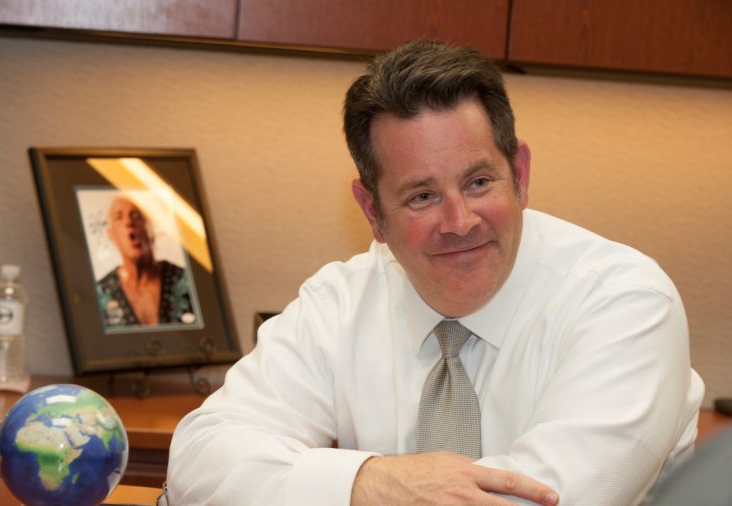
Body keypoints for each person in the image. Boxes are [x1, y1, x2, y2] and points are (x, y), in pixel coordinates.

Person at [166, 40, 704, 505]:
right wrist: (370, 484)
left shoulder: (624, 301)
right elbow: (199, 459)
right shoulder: (342, 300)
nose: (460, 222)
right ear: (373, 212)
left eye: (478, 183)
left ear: (519, 174)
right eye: (422, 196)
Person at [96, 195, 195, 328]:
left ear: (151, 227)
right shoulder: (100, 292)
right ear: (111, 234)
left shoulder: (186, 280)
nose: (128, 223)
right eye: (118, 217)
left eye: (136, 215)